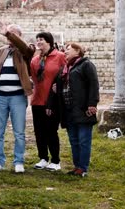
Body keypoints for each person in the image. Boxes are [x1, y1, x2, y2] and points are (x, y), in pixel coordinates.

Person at [0, 22, 35, 173]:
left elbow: (26, 49)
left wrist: (8, 33)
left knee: (19, 132)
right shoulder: (1, 51)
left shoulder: (26, 51)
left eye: (13, 33)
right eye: (8, 33)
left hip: (17, 98)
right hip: (0, 97)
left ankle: (18, 161)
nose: (9, 36)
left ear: (19, 36)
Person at [46, 43, 99, 177]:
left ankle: (83, 167)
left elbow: (94, 84)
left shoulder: (86, 65)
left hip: (82, 110)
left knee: (83, 140)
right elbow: (57, 85)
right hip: (68, 111)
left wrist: (92, 103)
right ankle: (77, 167)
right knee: (74, 140)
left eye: (68, 50)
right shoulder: (64, 68)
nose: (65, 52)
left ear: (77, 51)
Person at [30, 32, 66, 171]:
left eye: (42, 40)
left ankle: (55, 160)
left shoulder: (60, 56)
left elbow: (67, 73)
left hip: (53, 101)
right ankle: (43, 158)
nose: (39, 42)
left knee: (51, 131)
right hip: (37, 100)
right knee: (39, 131)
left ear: (49, 42)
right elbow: (34, 78)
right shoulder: (35, 60)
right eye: (37, 40)